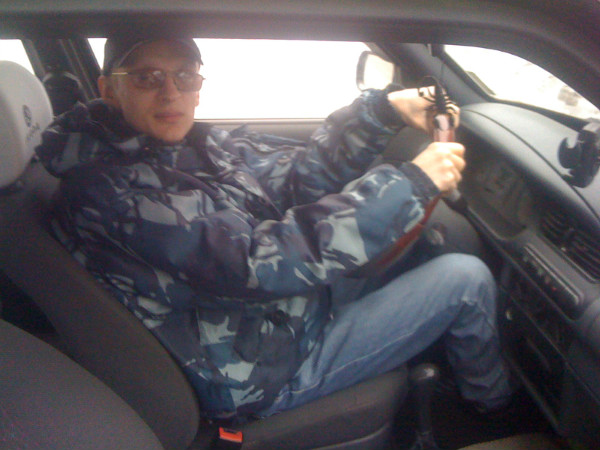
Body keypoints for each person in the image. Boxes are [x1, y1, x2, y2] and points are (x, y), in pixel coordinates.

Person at [35, 35, 514, 420]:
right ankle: (489, 411)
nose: (171, 92)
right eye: (147, 77)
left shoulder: (188, 146)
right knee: (465, 279)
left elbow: (294, 182)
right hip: (255, 369)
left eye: (185, 75)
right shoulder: (109, 191)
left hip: (278, 317)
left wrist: (382, 112)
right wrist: (412, 184)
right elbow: (256, 264)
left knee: (430, 244)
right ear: (108, 89)